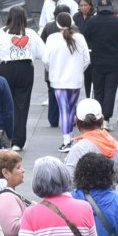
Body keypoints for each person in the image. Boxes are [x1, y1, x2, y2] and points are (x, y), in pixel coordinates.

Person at [0, 5, 45, 152]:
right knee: (22, 105)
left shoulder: (0, 33)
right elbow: (42, 52)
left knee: (5, 104)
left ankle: (6, 136)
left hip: (6, 68)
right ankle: (18, 141)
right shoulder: (31, 34)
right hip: (25, 69)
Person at [43, 11, 91, 152]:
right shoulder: (79, 37)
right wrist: (78, 71)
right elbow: (87, 59)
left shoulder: (52, 38)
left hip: (58, 80)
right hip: (75, 80)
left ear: (57, 24)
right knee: (70, 109)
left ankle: (67, 139)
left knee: (64, 109)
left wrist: (53, 70)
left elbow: (46, 60)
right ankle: (69, 137)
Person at [81, 0, 118, 128]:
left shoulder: (92, 21)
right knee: (110, 90)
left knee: (98, 90)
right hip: (115, 61)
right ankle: (106, 119)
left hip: (97, 61)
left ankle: (98, 117)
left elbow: (85, 38)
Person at [64, 97, 118, 183]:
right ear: (102, 119)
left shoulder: (78, 149)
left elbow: (69, 182)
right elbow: (116, 179)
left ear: (75, 120)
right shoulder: (115, 146)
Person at [40, 4, 74, 128]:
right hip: (69, 68)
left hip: (52, 69)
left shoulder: (49, 27)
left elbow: (41, 44)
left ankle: (53, 119)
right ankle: (70, 117)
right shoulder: (74, 29)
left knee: (52, 93)